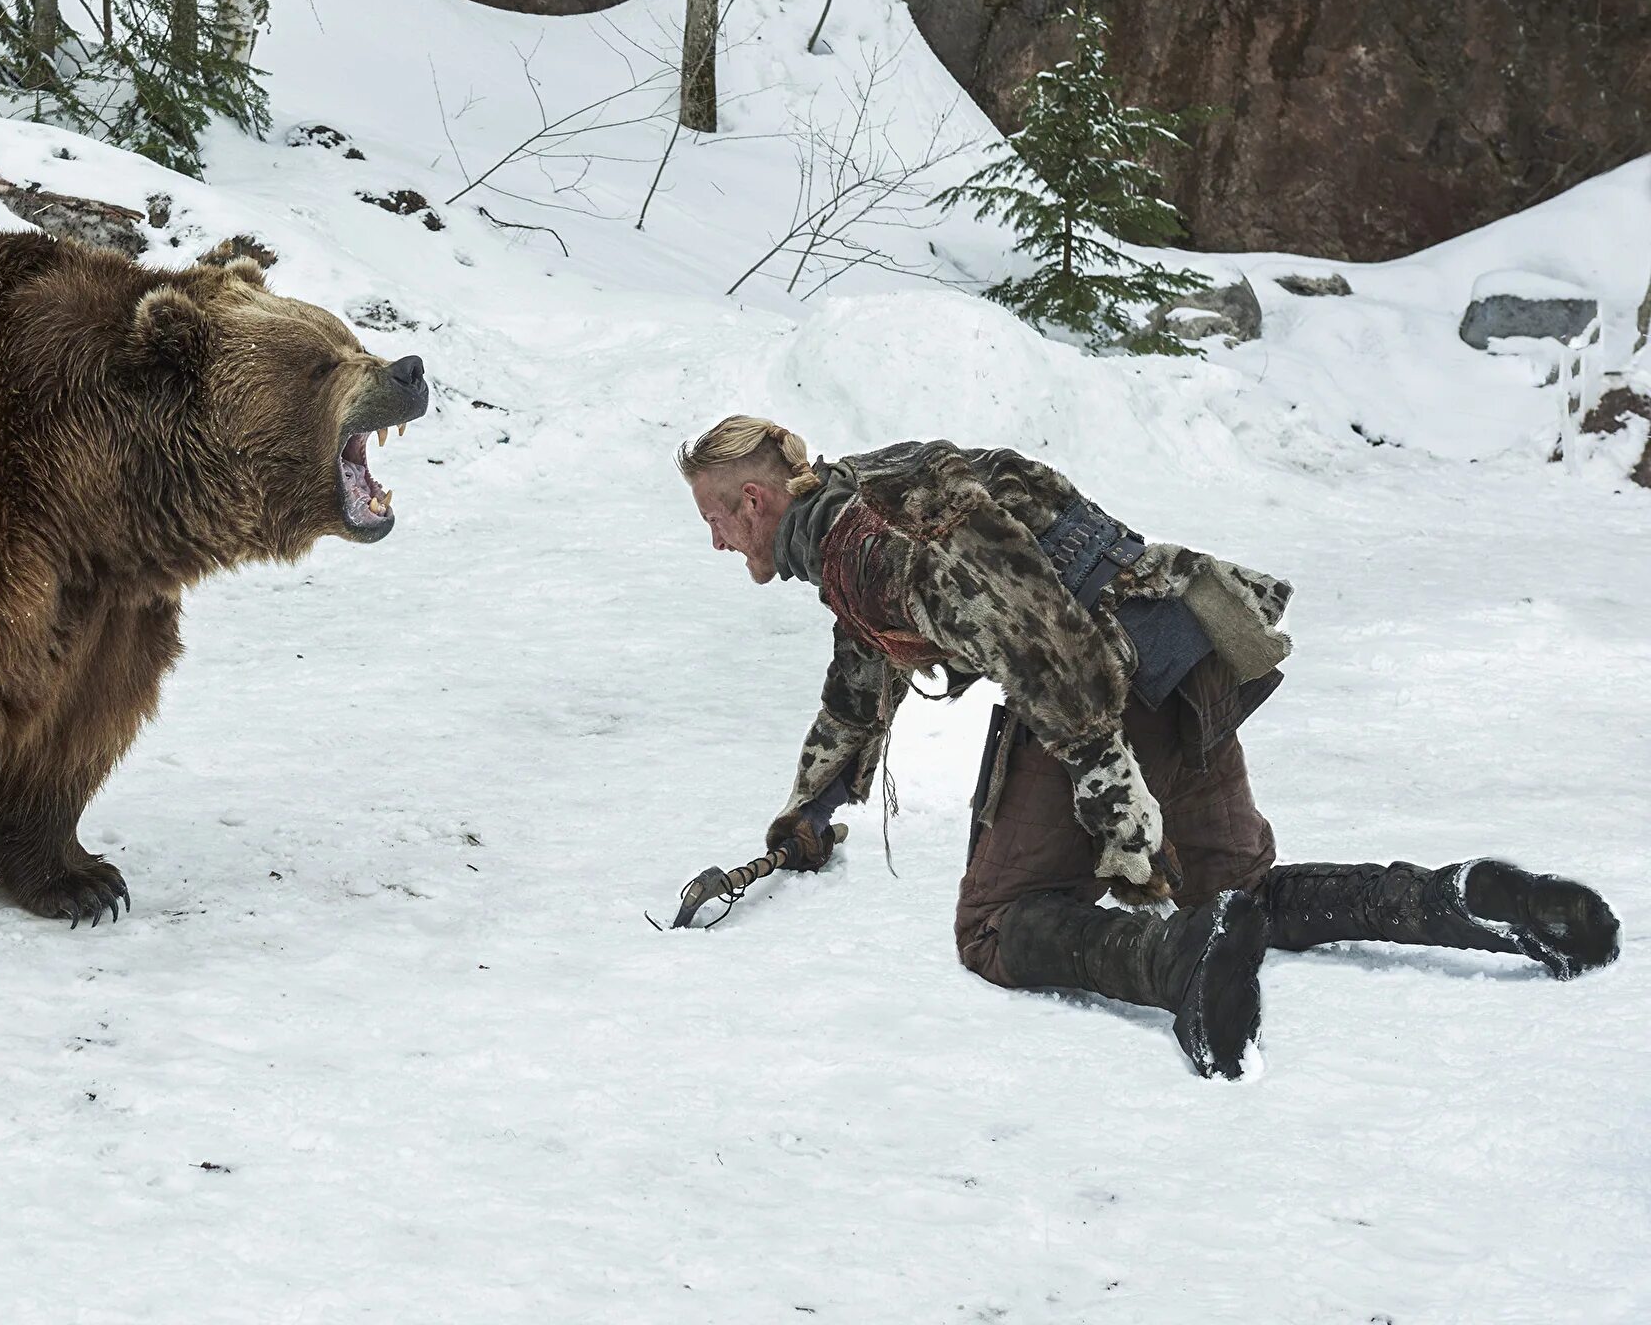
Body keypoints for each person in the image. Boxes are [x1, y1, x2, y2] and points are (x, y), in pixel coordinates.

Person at [679, 415, 1621, 1078]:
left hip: (1105, 682)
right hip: (1184, 650)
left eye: (716, 521)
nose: (717, 545)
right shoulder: (866, 502)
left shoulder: (864, 547)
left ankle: (1177, 967)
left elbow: (1040, 636)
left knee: (996, 926)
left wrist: (1110, 790)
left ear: (755, 500)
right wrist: (809, 809)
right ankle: (1455, 901)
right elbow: (861, 673)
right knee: (1240, 889)